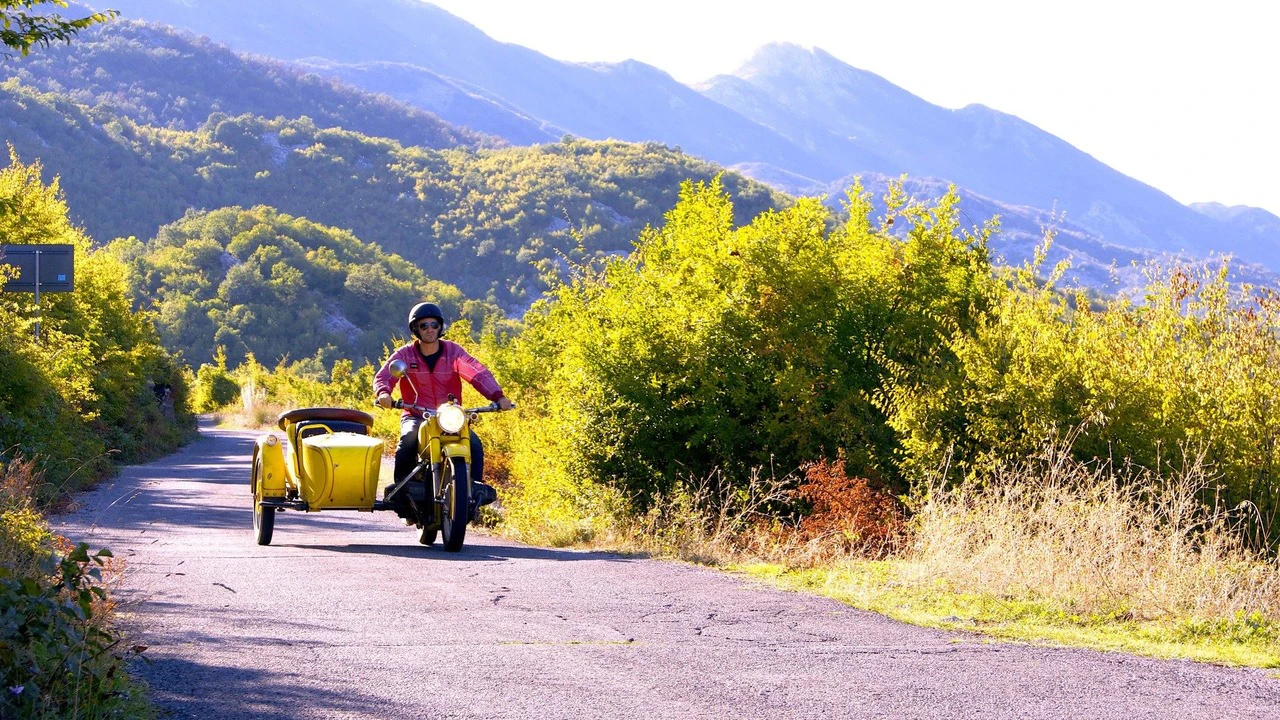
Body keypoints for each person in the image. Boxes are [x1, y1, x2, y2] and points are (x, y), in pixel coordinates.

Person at [374, 302, 512, 510]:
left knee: (474, 444)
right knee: (407, 441)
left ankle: (473, 490)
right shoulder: (405, 355)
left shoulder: (453, 352)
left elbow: (477, 373)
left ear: (440, 327)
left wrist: (498, 396)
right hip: (417, 414)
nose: (429, 329)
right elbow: (384, 376)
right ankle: (402, 493)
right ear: (415, 329)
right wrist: (384, 393)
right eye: (423, 326)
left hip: (449, 416)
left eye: (433, 325)